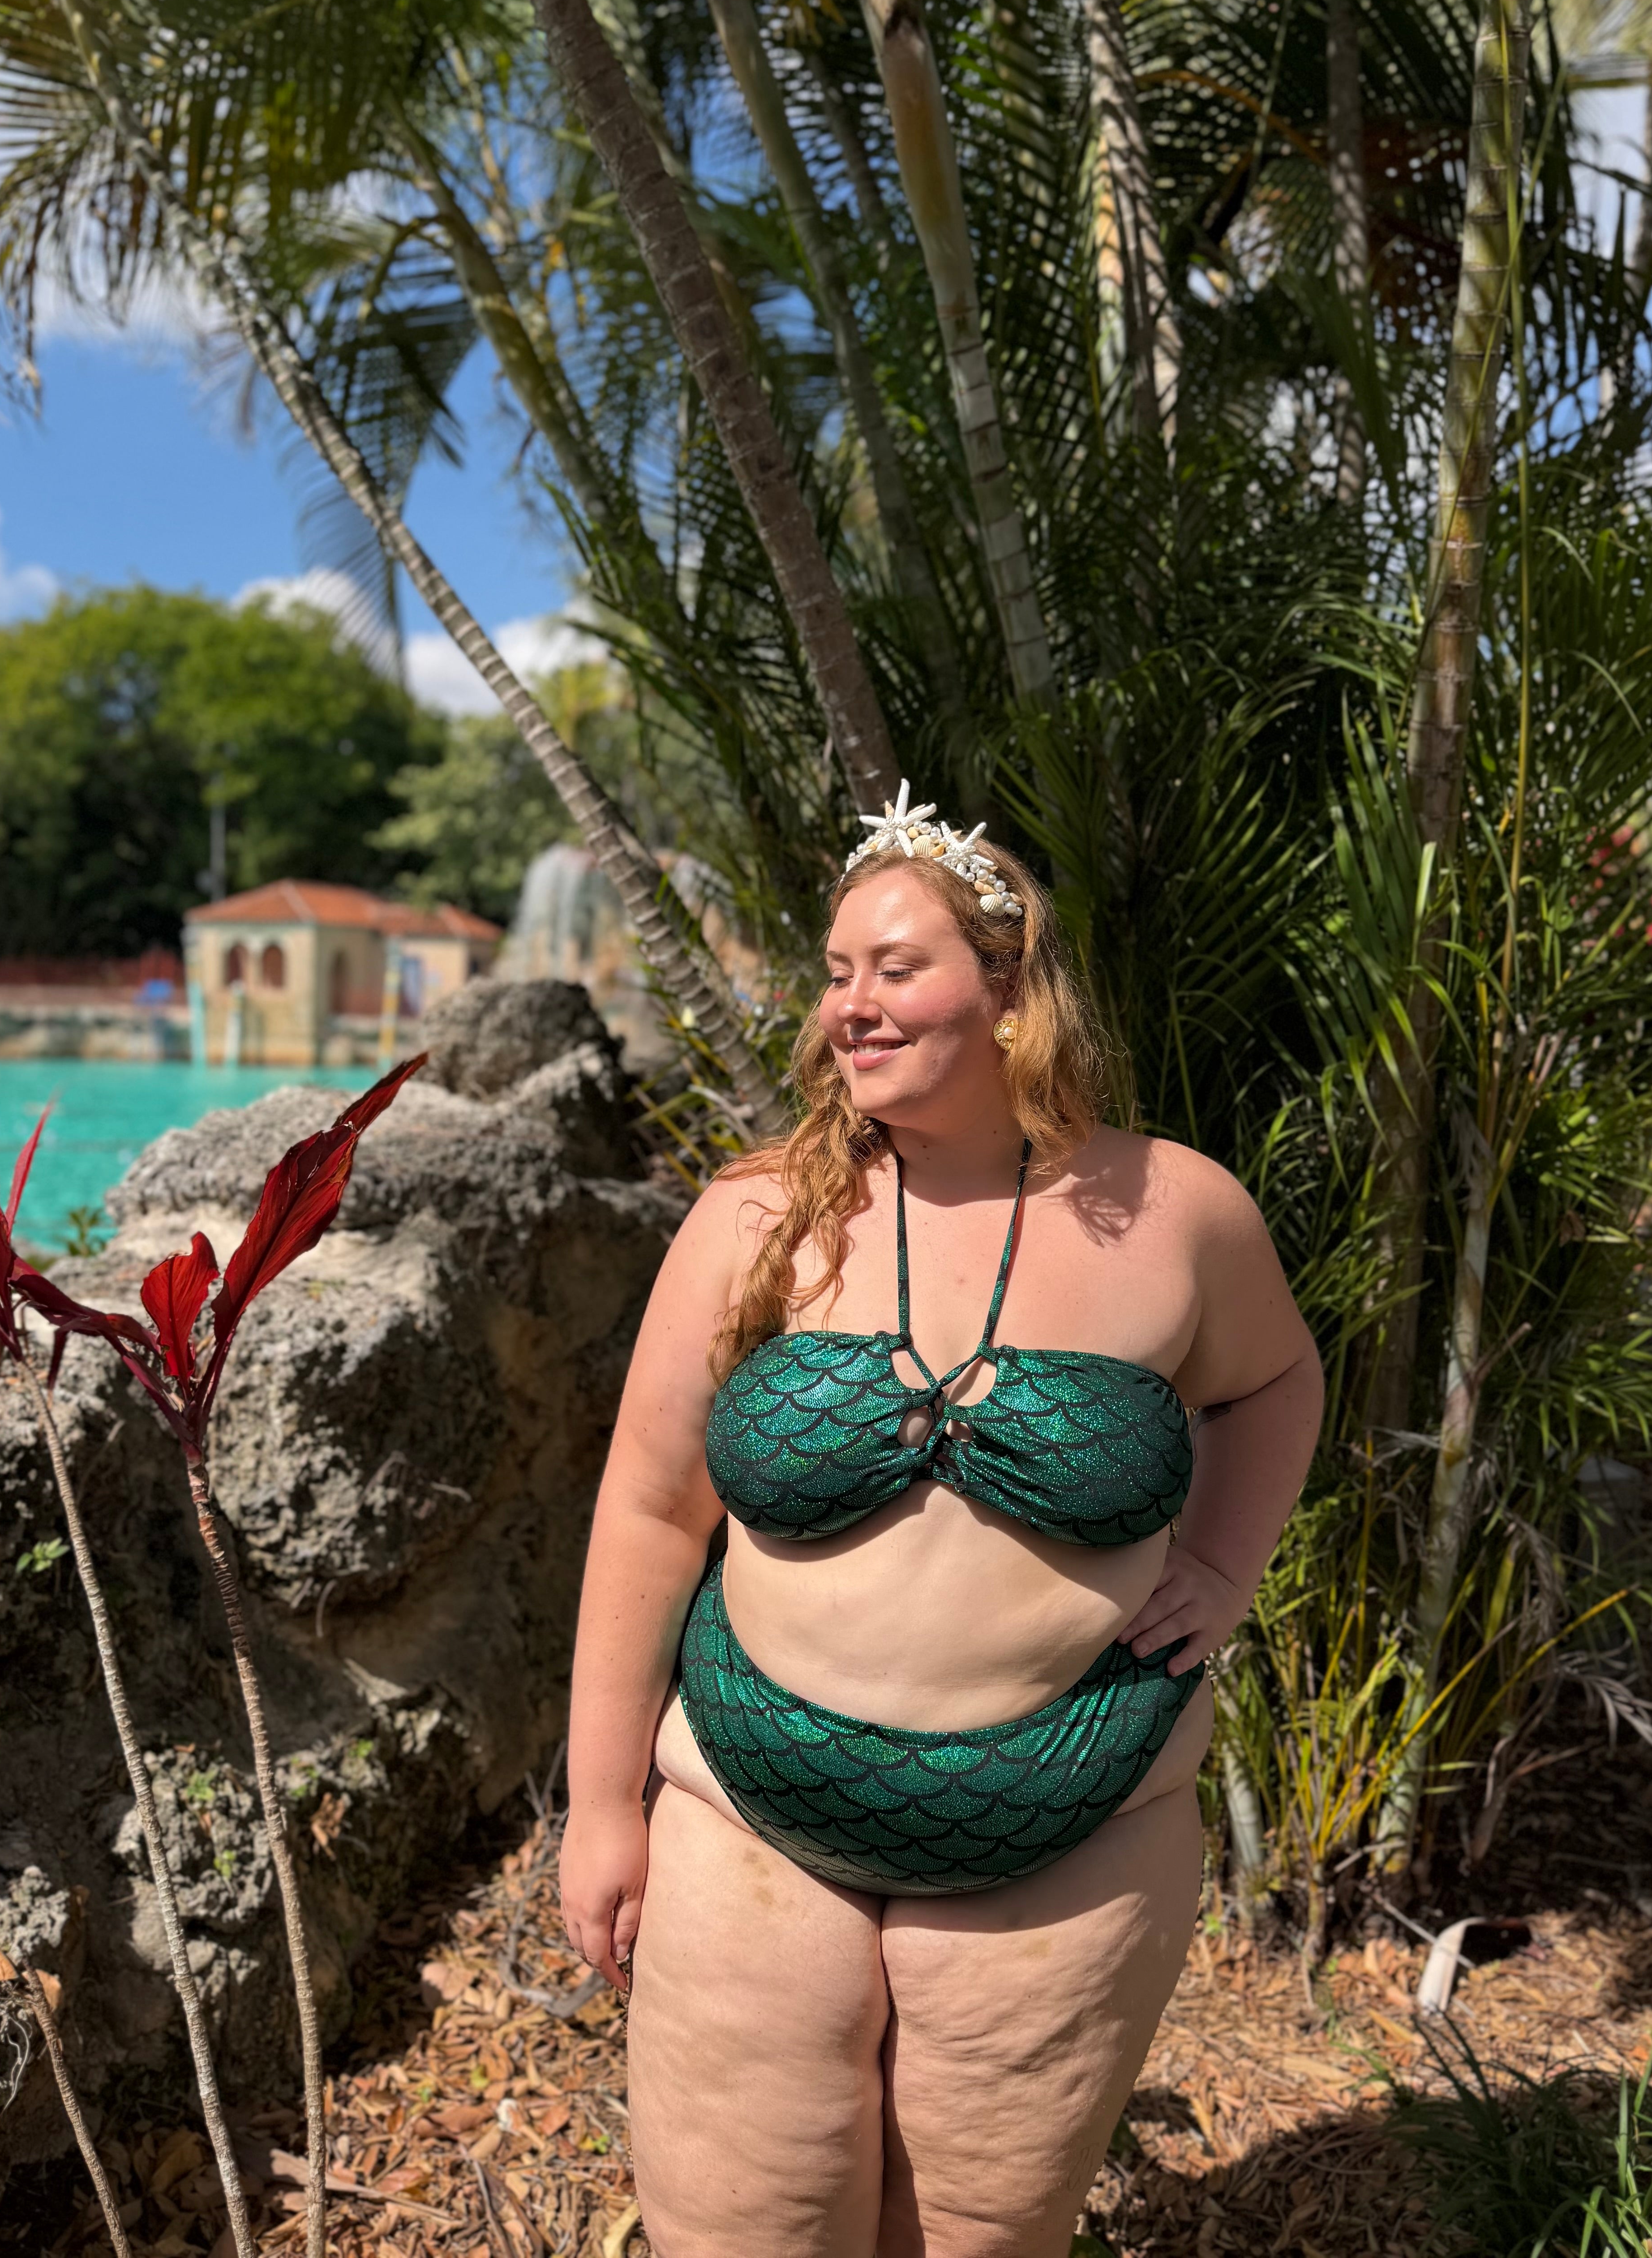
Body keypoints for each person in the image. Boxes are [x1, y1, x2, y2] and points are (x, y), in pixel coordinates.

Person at [561, 787, 1322, 2257]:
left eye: (893, 968)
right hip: (747, 1812)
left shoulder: (1173, 1211)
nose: (850, 1004)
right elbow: (652, 1513)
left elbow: (1277, 1384)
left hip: (1074, 1835)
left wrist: (1222, 1569)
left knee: (980, 2236)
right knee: (745, 2232)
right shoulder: (752, 1218)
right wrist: (601, 1805)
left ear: (1010, 987)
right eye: (837, 973)